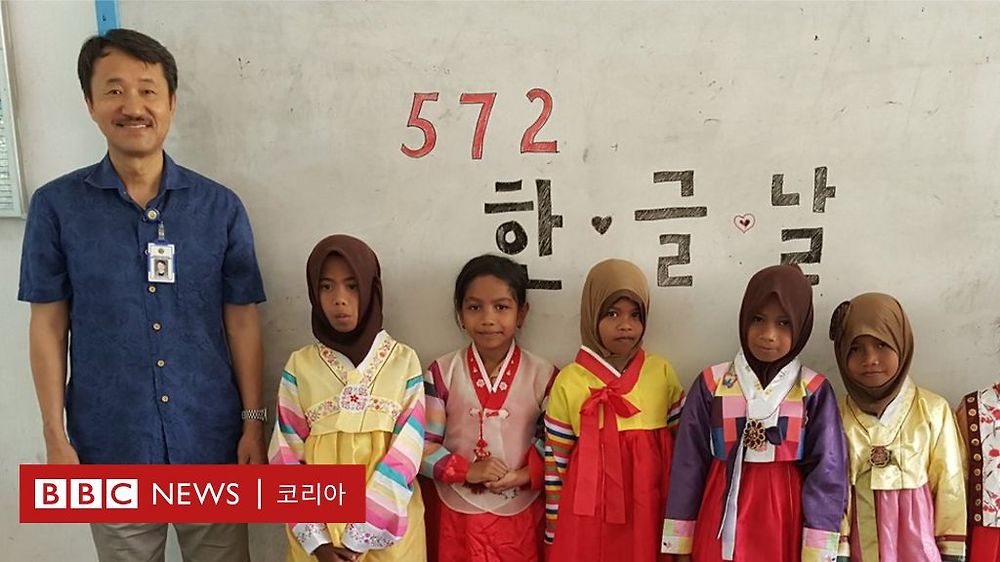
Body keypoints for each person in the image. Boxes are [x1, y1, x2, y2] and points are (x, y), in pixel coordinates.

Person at [18, 28, 266, 561]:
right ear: (90, 104)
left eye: (148, 90)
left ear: (171, 102)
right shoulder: (56, 208)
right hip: (109, 444)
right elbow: (48, 325)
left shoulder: (219, 208)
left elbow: (242, 321)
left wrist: (253, 423)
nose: (133, 106)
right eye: (114, 90)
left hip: (211, 440)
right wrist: (55, 436)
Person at [663, 264, 847, 562]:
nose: (768, 335)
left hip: (784, 515)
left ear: (801, 325)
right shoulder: (712, 383)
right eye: (758, 319)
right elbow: (688, 463)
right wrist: (679, 542)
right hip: (719, 510)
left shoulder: (813, 389)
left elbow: (827, 472)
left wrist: (818, 549)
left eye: (784, 323)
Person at [269, 234, 426, 562]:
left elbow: (407, 452)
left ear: (371, 289)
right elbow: (285, 455)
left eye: (352, 286)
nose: (339, 299)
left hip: (388, 536)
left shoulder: (403, 362)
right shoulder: (300, 366)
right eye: (326, 287)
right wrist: (318, 542)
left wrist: (358, 538)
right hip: (319, 540)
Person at [545, 258, 684, 561]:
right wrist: (555, 528)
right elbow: (556, 463)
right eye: (612, 313)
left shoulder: (660, 372)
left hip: (650, 506)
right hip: (587, 515)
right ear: (591, 313)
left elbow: (682, 449)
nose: (625, 325)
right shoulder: (569, 380)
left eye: (635, 315)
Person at [421, 254, 556, 561]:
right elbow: (423, 446)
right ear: (459, 312)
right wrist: (467, 470)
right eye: (474, 307)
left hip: (522, 513)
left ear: (522, 313)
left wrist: (524, 475)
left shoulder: (545, 376)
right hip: (457, 517)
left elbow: (554, 445)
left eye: (501, 307)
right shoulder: (442, 372)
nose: (487, 319)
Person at [831, 293, 965, 562]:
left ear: (901, 343)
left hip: (917, 545)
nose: (870, 359)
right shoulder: (836, 414)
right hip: (860, 545)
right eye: (855, 349)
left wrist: (951, 550)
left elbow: (950, 484)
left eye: (882, 344)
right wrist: (839, 548)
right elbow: (832, 487)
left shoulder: (932, 410)